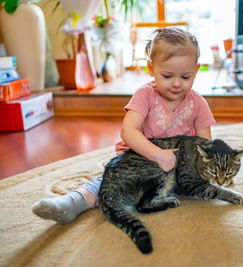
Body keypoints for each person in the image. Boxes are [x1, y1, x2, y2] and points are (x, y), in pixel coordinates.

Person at [32, 28, 216, 224]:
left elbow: (206, 145)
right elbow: (128, 132)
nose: (177, 84)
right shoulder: (145, 95)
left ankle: (153, 194)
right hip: (140, 157)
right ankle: (72, 202)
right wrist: (158, 155)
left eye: (185, 77)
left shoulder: (198, 103)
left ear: (196, 71)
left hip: (174, 166)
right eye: (167, 76)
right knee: (108, 183)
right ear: (151, 69)